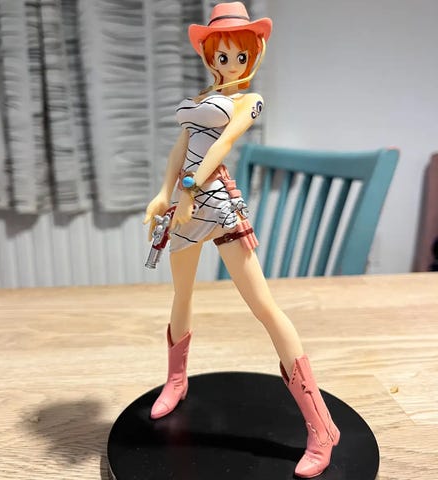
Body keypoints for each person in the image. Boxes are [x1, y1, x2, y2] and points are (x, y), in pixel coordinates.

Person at [143, 3, 340, 478]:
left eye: (240, 56)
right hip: (184, 204)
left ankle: (321, 425)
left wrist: (190, 189)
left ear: (254, 56)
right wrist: (164, 194)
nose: (230, 64)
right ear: (209, 56)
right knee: (182, 294)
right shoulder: (201, 97)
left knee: (264, 306)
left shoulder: (248, 101)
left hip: (214, 200)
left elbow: (224, 143)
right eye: (222, 56)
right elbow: (181, 147)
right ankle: (176, 380)